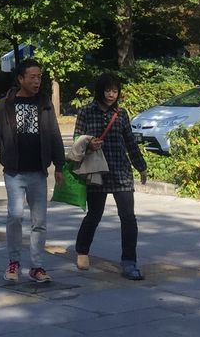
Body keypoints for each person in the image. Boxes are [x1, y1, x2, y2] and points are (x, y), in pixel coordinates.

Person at [0, 59, 66, 284]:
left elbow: (54, 134)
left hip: (38, 171)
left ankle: (37, 266)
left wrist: (59, 165)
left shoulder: (45, 103)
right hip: (14, 172)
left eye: (39, 77)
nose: (37, 81)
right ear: (20, 79)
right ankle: (14, 262)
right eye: (32, 77)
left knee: (39, 221)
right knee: (15, 216)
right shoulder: (5, 105)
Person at [73, 73, 149, 281]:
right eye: (108, 90)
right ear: (100, 91)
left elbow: (130, 141)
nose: (111, 95)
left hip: (120, 171)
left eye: (115, 91)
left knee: (128, 217)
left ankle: (129, 261)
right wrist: (88, 143)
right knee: (94, 214)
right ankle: (82, 250)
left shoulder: (121, 114)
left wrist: (141, 167)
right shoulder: (86, 111)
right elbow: (77, 139)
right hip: (97, 171)